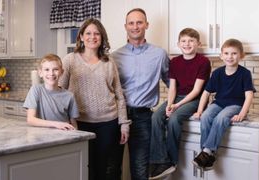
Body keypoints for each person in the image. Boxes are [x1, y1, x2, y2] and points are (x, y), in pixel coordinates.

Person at [59, 18, 130, 180]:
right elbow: (59, 92)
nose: (93, 37)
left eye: (97, 33)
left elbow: (119, 95)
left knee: (105, 170)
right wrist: (66, 121)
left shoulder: (109, 62)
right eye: (88, 33)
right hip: (80, 124)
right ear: (81, 37)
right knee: (85, 169)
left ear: (102, 38)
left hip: (108, 124)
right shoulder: (70, 59)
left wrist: (124, 124)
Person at [111, 8, 170, 180]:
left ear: (146, 25)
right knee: (112, 167)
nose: (135, 26)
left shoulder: (159, 54)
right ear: (125, 26)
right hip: (115, 117)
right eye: (131, 23)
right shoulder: (114, 56)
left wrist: (193, 102)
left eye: (139, 22)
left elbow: (172, 83)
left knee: (140, 169)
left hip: (143, 119)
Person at [149, 28, 211, 179]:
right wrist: (170, 104)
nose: (187, 44)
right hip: (176, 98)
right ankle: (160, 160)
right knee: (156, 117)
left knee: (174, 119)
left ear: (198, 44)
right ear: (178, 43)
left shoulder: (203, 62)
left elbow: (197, 91)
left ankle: (172, 160)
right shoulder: (175, 62)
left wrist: (176, 106)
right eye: (183, 41)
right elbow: (172, 88)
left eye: (191, 41)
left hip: (194, 100)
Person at [192, 38, 255, 170]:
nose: (230, 57)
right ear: (221, 55)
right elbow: (206, 93)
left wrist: (242, 114)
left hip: (236, 105)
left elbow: (249, 95)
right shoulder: (217, 73)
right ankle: (208, 156)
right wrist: (199, 111)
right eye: (226, 53)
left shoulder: (245, 73)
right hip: (219, 103)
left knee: (220, 118)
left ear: (241, 55)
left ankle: (206, 152)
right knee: (206, 116)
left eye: (234, 53)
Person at [23, 54, 79, 130]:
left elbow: (73, 124)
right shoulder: (36, 90)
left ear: (62, 72)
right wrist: (56, 124)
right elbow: (31, 120)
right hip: (42, 136)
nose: (51, 73)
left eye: (55, 69)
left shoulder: (69, 96)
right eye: (47, 69)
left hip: (64, 136)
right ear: (40, 73)